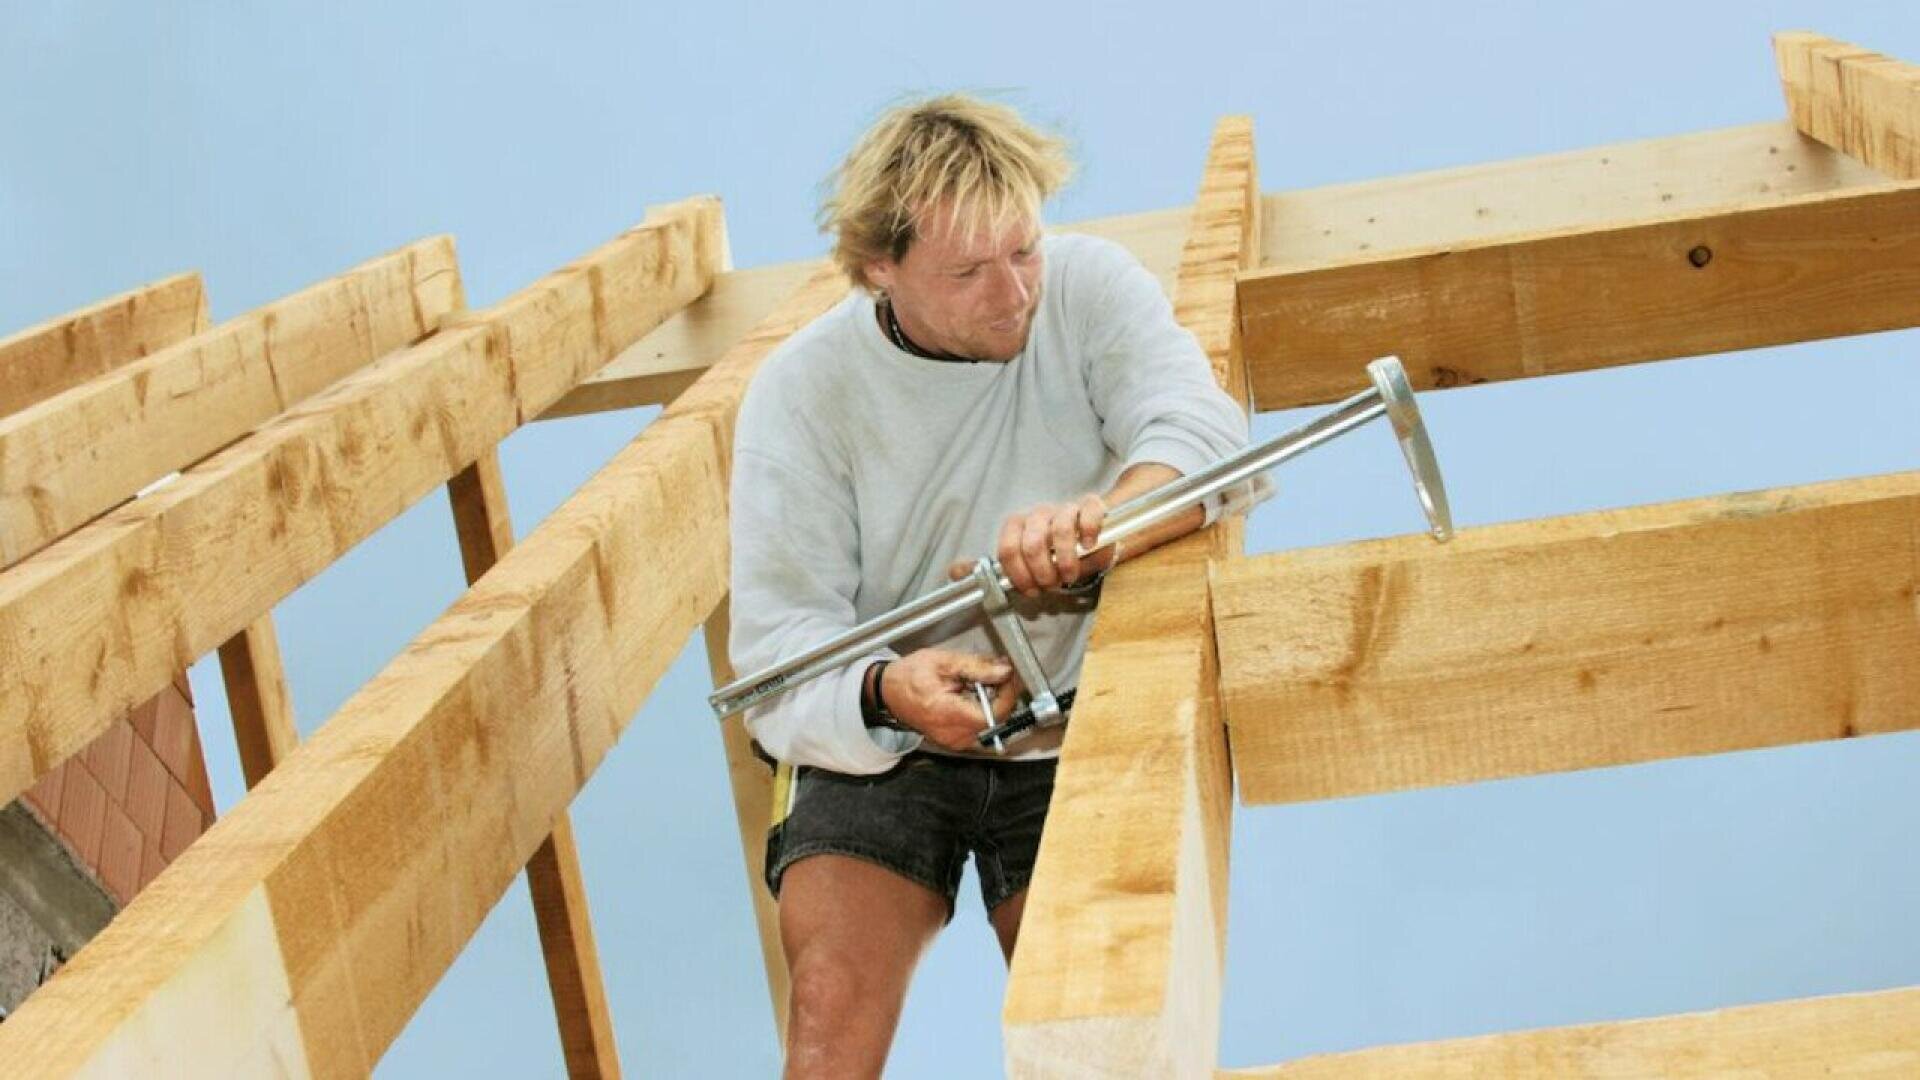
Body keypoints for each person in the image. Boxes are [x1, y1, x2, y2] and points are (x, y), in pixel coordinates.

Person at [727, 94, 1248, 1077]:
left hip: (1078, 728)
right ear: (881, 267)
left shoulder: (1089, 289)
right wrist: (887, 692)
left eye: (1024, 251)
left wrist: (1108, 522)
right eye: (967, 272)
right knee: (832, 1009)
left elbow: (1204, 434)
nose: (1011, 294)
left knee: (1094, 1026)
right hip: (877, 743)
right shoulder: (801, 393)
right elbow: (774, 651)